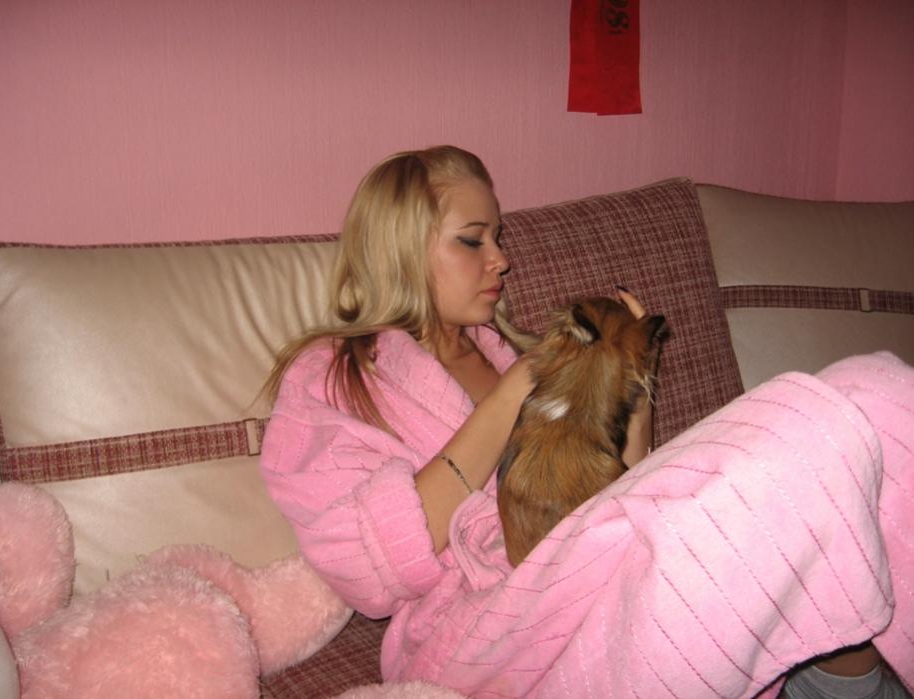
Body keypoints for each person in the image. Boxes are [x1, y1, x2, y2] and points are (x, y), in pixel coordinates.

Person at [259, 146, 912, 697]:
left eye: (498, 237)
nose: (501, 259)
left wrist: (634, 388)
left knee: (865, 403)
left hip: (597, 570)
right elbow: (364, 568)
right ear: (400, 249)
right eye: (473, 240)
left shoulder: (510, 355)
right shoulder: (338, 374)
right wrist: (519, 386)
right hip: (479, 634)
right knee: (840, 412)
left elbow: (619, 485)